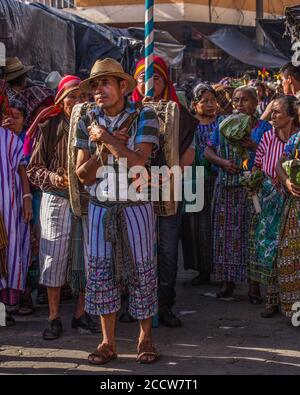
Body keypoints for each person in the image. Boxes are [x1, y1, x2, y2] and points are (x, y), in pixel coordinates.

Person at [75, 58, 160, 364]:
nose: (99, 90)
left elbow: (138, 163)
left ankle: (145, 338)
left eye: (106, 83)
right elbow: (82, 174)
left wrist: (108, 139)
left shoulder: (144, 116)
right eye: (95, 85)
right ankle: (107, 342)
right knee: (100, 274)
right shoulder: (87, 119)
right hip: (99, 206)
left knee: (142, 272)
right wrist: (105, 148)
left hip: (136, 206)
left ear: (123, 87)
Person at [26, 75, 97, 339]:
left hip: (88, 199)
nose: (77, 101)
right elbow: (33, 169)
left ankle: (80, 314)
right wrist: (55, 177)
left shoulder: (94, 126)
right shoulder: (49, 125)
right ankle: (54, 317)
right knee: (54, 257)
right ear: (61, 99)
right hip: (56, 199)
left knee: (88, 257)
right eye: (72, 96)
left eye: (82, 96)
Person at [132, 56, 196, 327]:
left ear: (165, 81)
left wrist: (169, 179)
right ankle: (136, 304)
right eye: (143, 78)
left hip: (168, 188)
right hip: (132, 191)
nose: (149, 83)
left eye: (156, 77)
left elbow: (190, 152)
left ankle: (165, 304)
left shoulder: (180, 114)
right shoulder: (127, 113)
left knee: (168, 249)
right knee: (136, 249)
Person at [205, 86, 272, 299]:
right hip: (226, 187)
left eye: (245, 100)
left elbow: (271, 154)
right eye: (236, 99)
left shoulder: (264, 128)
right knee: (225, 235)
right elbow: (208, 150)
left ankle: (254, 285)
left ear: (255, 102)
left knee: (251, 235)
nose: (239, 104)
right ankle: (227, 281)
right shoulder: (223, 124)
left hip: (252, 189)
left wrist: (254, 146)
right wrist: (223, 163)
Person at [249, 96, 299, 317]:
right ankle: (272, 299)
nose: (272, 116)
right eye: (272, 112)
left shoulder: (295, 138)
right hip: (270, 198)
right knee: (271, 247)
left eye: (277, 112)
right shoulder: (269, 137)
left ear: (292, 115)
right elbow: (260, 165)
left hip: (290, 201)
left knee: (289, 250)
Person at [0, 81, 32, 326]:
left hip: (8, 205)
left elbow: (22, 169)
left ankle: (6, 309)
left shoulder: (9, 138)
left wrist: (27, 199)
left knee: (8, 251)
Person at [181, 83, 220, 285]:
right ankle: (201, 269)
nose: (210, 104)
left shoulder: (222, 123)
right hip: (192, 177)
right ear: (194, 104)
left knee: (215, 222)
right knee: (194, 225)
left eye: (213, 100)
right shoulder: (188, 124)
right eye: (205, 101)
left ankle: (219, 268)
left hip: (215, 177)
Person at [275, 102, 300, 319]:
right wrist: (287, 182)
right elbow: (279, 164)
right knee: (290, 255)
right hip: (295, 205)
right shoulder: (295, 140)